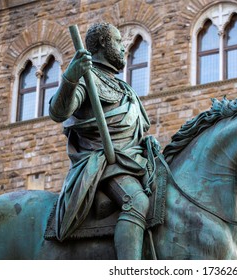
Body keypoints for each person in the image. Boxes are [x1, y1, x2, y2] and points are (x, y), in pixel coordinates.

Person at [49, 22, 156, 259]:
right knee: (136, 201)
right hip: (104, 164)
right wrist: (71, 77)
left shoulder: (124, 88)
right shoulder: (87, 79)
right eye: (118, 41)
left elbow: (135, 132)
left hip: (133, 159)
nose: (123, 47)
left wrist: (148, 145)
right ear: (103, 43)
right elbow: (59, 112)